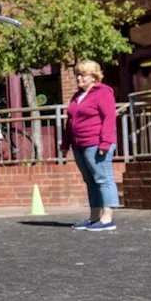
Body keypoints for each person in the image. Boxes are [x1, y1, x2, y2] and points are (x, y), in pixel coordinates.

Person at [62, 60, 119, 231]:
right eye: (77, 75)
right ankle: (94, 217)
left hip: (96, 143)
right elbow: (70, 121)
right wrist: (65, 144)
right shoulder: (77, 96)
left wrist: (105, 143)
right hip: (79, 145)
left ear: (93, 76)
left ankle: (107, 218)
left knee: (103, 179)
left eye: (82, 75)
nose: (78, 78)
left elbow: (109, 118)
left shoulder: (103, 93)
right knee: (90, 181)